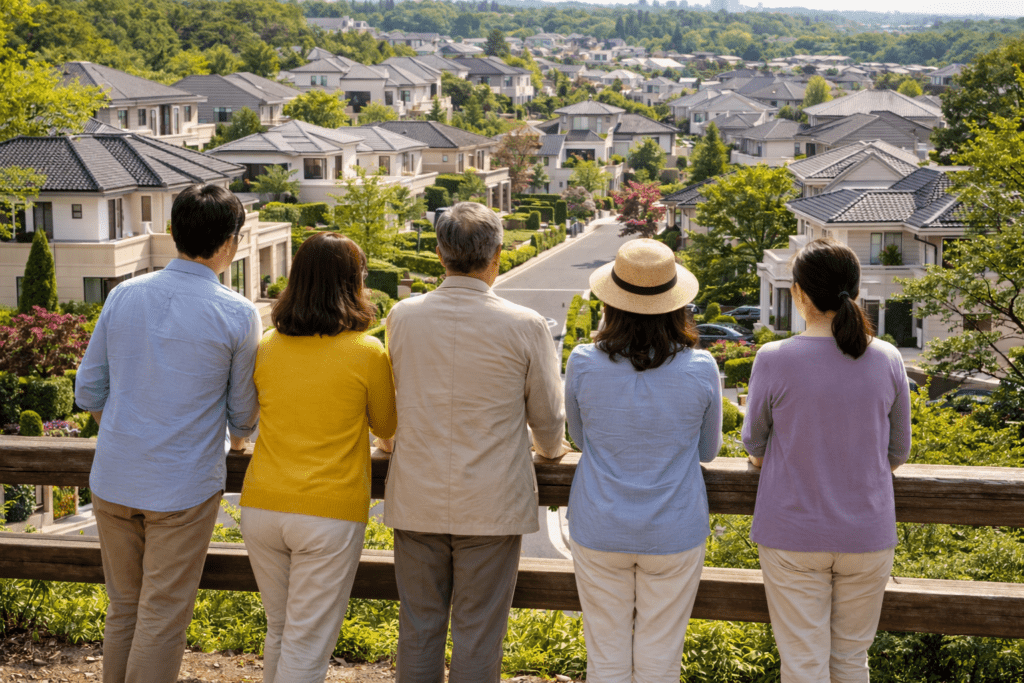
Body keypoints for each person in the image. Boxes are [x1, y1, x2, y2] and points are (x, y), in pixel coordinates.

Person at [75, 185, 262, 683]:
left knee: (123, 607)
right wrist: (238, 443)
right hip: (182, 488)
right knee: (161, 615)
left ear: (173, 232)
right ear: (230, 242)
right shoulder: (238, 313)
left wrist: (123, 431)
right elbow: (243, 415)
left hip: (114, 478)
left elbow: (89, 389)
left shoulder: (124, 294)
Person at [383, 201, 569, 683]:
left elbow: (393, 399)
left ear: (439, 253)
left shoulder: (403, 316)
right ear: (497, 255)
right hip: (492, 501)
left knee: (418, 627)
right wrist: (551, 452)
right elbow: (548, 418)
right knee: (479, 632)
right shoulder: (525, 324)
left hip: (417, 493)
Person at [742, 238, 912, 683]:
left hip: (792, 532)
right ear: (855, 290)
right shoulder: (888, 357)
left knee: (803, 663)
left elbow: (754, 445)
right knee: (852, 659)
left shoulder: (774, 358)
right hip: (867, 533)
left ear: (798, 292)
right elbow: (898, 452)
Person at [239, 233, 397, 683]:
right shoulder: (367, 352)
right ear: (354, 282)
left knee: (280, 629)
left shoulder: (268, 345)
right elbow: (386, 425)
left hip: (261, 505)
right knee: (307, 643)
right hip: (328, 513)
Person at [565, 238, 722, 683]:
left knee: (605, 656)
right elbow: (708, 452)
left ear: (611, 304)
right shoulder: (701, 366)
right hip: (675, 527)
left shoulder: (583, 362)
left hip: (599, 524)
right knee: (660, 659)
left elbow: (578, 439)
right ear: (677, 306)